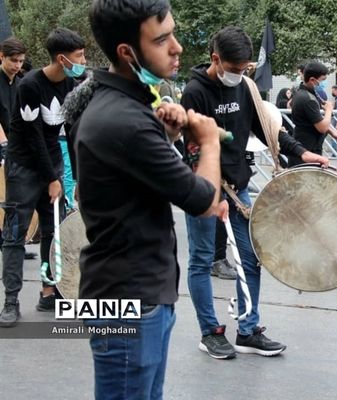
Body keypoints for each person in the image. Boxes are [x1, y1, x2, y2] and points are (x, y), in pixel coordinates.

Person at [65, 0, 222, 397]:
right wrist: (208, 143)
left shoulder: (122, 106)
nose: (177, 47)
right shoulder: (125, 120)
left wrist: (167, 139)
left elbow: (133, 177)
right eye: (162, 38)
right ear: (126, 52)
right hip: (128, 299)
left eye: (173, 33)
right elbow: (203, 200)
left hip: (138, 292)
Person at [181, 26, 329, 360]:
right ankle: (210, 331)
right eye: (234, 69)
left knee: (251, 259)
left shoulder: (245, 87)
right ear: (215, 59)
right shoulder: (194, 92)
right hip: (203, 188)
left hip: (239, 189)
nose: (240, 74)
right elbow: (191, 150)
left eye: (245, 68)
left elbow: (267, 130)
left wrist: (302, 153)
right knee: (203, 259)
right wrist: (209, 196)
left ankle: (247, 330)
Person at [0, 28, 86, 327]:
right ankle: (11, 301)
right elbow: (34, 136)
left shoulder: (74, 86)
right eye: (79, 56)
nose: (83, 61)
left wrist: (76, 180)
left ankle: (50, 292)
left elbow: (73, 132)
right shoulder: (30, 85)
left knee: (53, 233)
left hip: (52, 168)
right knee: (15, 234)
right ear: (61, 59)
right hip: (23, 168)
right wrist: (51, 178)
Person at [0, 37, 38, 261]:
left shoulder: (21, 81)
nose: (17, 65)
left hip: (16, 146)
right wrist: (5, 146)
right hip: (5, 144)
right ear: (1, 56)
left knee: (15, 198)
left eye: (21, 61)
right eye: (13, 60)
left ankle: (11, 244)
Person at [288, 61, 337, 167]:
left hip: (304, 148)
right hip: (307, 150)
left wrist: (332, 131)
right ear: (312, 80)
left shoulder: (303, 93)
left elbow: (315, 119)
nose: (323, 83)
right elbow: (322, 127)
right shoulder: (308, 99)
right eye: (322, 80)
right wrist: (328, 110)